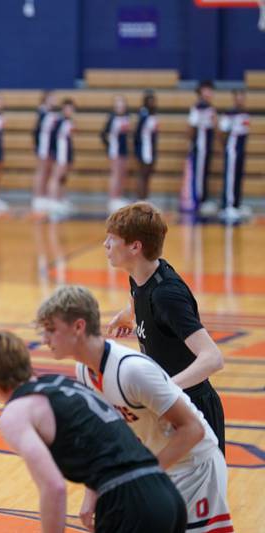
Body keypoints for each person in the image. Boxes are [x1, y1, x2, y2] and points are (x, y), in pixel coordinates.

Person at [35, 286, 233, 533]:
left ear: (78, 327)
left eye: (51, 330)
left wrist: (145, 477)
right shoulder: (85, 371)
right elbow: (105, 438)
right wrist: (92, 492)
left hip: (194, 466)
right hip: (158, 466)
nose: (44, 339)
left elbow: (193, 429)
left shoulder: (132, 371)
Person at [0, 330, 186, 533]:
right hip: (165, 492)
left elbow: (54, 487)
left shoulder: (16, 413)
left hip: (129, 500)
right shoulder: (62, 384)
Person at [105, 202, 226, 453]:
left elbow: (213, 358)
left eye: (112, 239)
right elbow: (138, 295)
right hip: (169, 406)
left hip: (194, 409)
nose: (105, 245)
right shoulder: (142, 273)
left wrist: (164, 390)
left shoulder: (166, 296)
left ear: (135, 247)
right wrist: (129, 314)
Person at [218, 89, 251, 223]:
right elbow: (222, 131)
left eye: (242, 97)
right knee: (230, 178)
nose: (240, 100)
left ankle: (236, 204)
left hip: (241, 150)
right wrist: (226, 146)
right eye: (238, 97)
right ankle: (228, 206)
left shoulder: (245, 114)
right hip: (232, 150)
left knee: (238, 177)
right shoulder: (229, 113)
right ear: (234, 99)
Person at [185, 81, 217, 215]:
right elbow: (191, 127)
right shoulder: (198, 108)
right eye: (206, 90)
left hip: (206, 147)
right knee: (199, 175)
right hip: (200, 148)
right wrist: (192, 144)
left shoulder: (209, 108)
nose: (209, 93)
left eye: (211, 90)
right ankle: (198, 201)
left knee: (204, 174)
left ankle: (202, 200)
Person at [31, 90, 58, 214]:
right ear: (46, 99)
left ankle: (45, 196)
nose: (55, 100)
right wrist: (38, 147)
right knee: (42, 172)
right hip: (43, 148)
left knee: (48, 172)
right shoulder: (42, 113)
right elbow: (36, 131)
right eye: (52, 98)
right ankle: (38, 197)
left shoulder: (52, 113)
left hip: (51, 147)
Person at [102, 95, 130, 213]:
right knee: (115, 174)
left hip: (123, 149)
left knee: (122, 174)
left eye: (122, 104)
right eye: (118, 104)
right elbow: (103, 134)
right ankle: (113, 198)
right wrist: (110, 144)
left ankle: (119, 196)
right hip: (115, 150)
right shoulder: (112, 118)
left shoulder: (126, 117)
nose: (120, 107)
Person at [47, 99, 75, 219]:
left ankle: (61, 199)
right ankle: (52, 201)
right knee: (56, 177)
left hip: (67, 152)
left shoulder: (70, 121)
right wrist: (53, 152)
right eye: (67, 108)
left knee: (63, 178)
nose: (69, 111)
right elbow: (52, 138)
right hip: (60, 153)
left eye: (71, 109)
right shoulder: (59, 122)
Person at [133, 91, 158, 201]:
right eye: (150, 101)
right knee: (142, 175)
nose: (152, 103)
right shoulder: (143, 115)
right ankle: (141, 198)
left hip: (151, 149)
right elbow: (137, 133)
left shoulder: (153, 115)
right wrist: (137, 148)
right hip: (144, 149)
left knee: (147, 175)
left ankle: (145, 197)